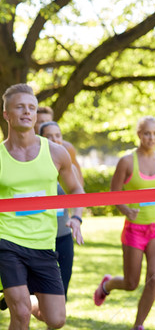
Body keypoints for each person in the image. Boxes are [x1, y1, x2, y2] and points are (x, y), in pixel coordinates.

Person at [0, 83, 84, 330]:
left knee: (56, 320)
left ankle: (21, 296)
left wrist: (77, 218)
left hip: (44, 243)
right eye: (20, 107)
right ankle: (20, 299)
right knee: (22, 314)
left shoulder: (57, 153)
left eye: (31, 108)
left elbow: (76, 189)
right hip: (7, 240)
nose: (27, 112)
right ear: (7, 114)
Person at [93, 116, 155, 330]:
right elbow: (113, 194)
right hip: (134, 230)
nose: (151, 138)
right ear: (138, 134)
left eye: (154, 133)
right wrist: (126, 209)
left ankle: (138, 325)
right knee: (131, 283)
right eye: (146, 133)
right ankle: (108, 284)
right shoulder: (126, 161)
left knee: (153, 278)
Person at [39, 120, 84, 300]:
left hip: (63, 234)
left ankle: (51, 326)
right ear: (40, 139)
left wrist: (77, 218)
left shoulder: (69, 167)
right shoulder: (33, 166)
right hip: (38, 237)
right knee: (36, 290)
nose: (54, 140)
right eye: (49, 136)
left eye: (58, 136)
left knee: (61, 293)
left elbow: (78, 194)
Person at [35, 106, 84, 186]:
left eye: (48, 121)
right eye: (41, 122)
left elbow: (77, 177)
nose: (45, 124)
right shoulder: (28, 148)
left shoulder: (66, 147)